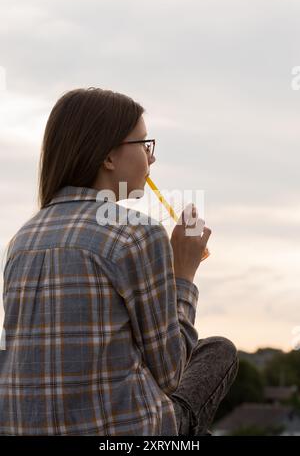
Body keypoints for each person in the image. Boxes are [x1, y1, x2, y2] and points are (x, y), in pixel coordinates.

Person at [0, 87, 238, 436]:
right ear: (109, 157)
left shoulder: (23, 239)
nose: (151, 158)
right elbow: (170, 374)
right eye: (144, 144)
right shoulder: (138, 233)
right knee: (221, 351)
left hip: (21, 426)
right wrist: (183, 273)